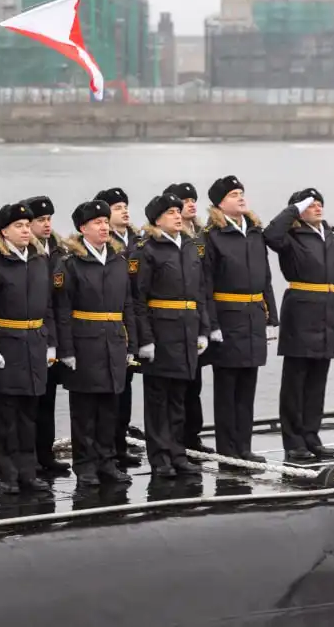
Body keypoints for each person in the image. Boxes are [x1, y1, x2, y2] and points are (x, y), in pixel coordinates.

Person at [263, 189, 334, 463]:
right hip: (301, 310)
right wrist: (293, 209)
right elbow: (270, 235)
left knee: (317, 381)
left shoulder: (331, 238)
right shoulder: (290, 237)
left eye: (319, 203)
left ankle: (311, 435)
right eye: (310, 204)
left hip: (327, 311)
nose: (317, 207)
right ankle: (293, 441)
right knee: (296, 380)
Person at [52, 200, 136, 487]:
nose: (103, 227)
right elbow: (62, 311)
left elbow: (128, 305)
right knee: (85, 410)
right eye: (96, 223)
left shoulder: (118, 261)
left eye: (105, 222)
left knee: (110, 406)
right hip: (84, 342)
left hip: (113, 341)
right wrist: (66, 350)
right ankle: (86, 465)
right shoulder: (71, 264)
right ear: (82, 228)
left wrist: (131, 344)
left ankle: (107, 461)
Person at [0, 202, 53, 495]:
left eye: (26, 225)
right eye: (18, 226)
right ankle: (7, 474)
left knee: (29, 413)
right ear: (4, 231)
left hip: (34, 343)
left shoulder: (38, 259)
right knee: (7, 415)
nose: (24, 230)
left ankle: (28, 471)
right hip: (7, 345)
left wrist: (50, 341)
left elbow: (48, 306)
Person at [130, 194, 208, 478]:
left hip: (186, 331)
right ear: (157, 218)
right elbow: (139, 299)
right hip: (161, 332)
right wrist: (145, 339)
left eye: (179, 211)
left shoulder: (189, 247)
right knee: (158, 400)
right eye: (171, 212)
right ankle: (160, 457)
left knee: (179, 398)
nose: (178, 215)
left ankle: (177, 453)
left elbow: (200, 293)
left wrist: (203, 330)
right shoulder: (147, 249)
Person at [202, 176, 277, 467]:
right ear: (220, 203)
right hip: (228, 316)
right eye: (234, 194)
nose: (241, 198)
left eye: (242, 193)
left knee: (248, 384)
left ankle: (244, 446)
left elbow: (265, 276)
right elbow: (205, 285)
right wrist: (212, 325)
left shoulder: (255, 232)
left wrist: (271, 315)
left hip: (254, 315)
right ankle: (227, 450)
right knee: (227, 387)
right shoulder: (213, 235)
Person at [24, 196, 70, 477]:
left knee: (48, 400)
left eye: (49, 219)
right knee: (29, 404)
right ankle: (28, 457)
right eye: (40, 220)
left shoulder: (60, 251)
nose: (46, 224)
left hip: (52, 334)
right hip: (29, 335)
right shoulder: (25, 253)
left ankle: (45, 454)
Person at [95, 188, 140, 468]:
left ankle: (119, 444)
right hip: (106, 323)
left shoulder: (139, 241)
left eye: (125, 206)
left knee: (126, 389)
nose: (124, 211)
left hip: (129, 320)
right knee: (107, 393)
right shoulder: (104, 245)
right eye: (117, 207)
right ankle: (106, 448)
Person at [165, 181, 211, 454]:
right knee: (177, 385)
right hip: (174, 319)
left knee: (195, 382)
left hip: (197, 314)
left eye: (193, 199)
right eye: (184, 201)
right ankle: (176, 440)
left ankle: (192, 435)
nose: (191, 204)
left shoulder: (202, 234)